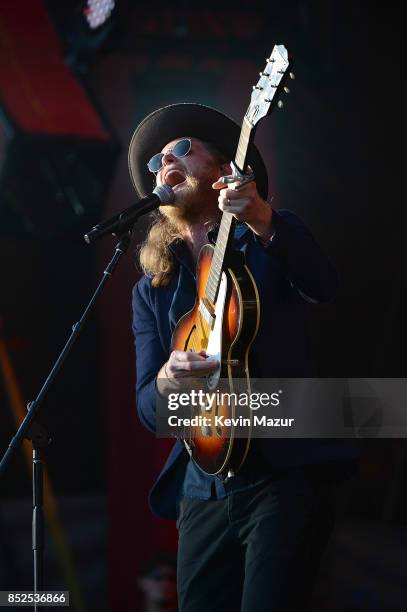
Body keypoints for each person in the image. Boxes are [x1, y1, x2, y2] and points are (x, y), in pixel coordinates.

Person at [129, 103, 357, 611]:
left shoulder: (269, 237)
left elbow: (324, 286)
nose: (167, 159)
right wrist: (166, 380)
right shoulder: (152, 289)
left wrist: (263, 220)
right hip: (201, 485)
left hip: (282, 472)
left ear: (222, 168)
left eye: (183, 149)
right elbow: (148, 409)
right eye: (158, 160)